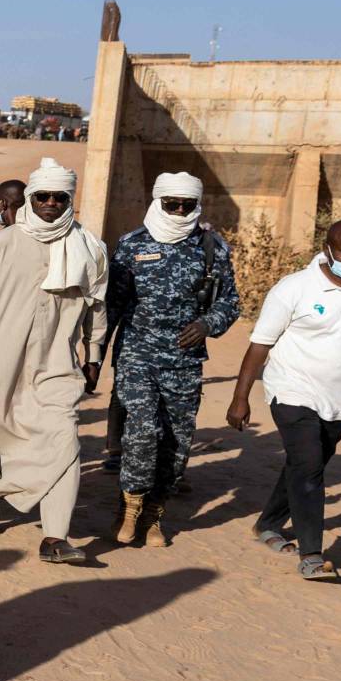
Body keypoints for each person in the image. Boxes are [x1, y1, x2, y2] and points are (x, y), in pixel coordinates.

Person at [226, 218, 341, 581]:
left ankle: (268, 523)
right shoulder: (294, 287)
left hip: (340, 397)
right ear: (327, 250)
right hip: (291, 389)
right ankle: (311, 555)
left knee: (308, 465)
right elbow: (260, 345)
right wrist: (239, 398)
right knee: (308, 465)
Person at [0, 162, 107, 564]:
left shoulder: (90, 248)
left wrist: (94, 355)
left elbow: (97, 307)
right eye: (43, 196)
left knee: (65, 440)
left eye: (60, 197)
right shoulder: (0, 244)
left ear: (70, 200)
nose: (51, 203)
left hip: (56, 364)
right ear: (30, 198)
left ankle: (55, 537)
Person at [107, 172, 239, 547]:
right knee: (143, 431)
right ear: (158, 202)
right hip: (137, 355)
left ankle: (153, 516)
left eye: (187, 204)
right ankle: (128, 510)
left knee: (177, 443)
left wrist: (207, 324)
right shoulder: (132, 245)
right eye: (172, 204)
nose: (180, 210)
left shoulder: (212, 247)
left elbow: (230, 302)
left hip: (184, 360)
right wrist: (94, 355)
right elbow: (112, 305)